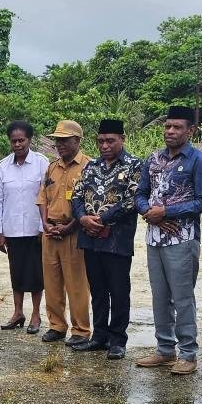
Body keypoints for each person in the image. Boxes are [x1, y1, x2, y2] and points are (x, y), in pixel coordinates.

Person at [134, 106, 202, 376]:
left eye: (177, 127)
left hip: (182, 239)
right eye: (167, 126)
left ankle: (188, 354)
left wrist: (166, 212)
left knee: (182, 297)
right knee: (160, 297)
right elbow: (140, 193)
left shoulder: (197, 160)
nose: (170, 131)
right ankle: (165, 350)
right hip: (154, 238)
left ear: (190, 130)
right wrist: (148, 212)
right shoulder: (153, 158)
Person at [70, 119, 142, 360]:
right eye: (101, 141)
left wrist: (101, 218)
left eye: (110, 140)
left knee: (119, 290)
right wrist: (82, 219)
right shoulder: (91, 166)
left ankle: (117, 340)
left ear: (122, 139)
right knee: (98, 289)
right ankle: (99, 336)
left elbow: (134, 199)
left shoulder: (134, 165)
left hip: (117, 240)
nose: (105, 145)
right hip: (90, 238)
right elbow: (76, 195)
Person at [38, 119, 91, 346]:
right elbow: (42, 199)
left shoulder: (89, 167)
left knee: (77, 284)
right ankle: (57, 326)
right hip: (50, 232)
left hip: (74, 232)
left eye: (64, 141)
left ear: (77, 140)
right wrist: (45, 224)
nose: (59, 145)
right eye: (57, 141)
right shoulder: (52, 167)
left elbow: (90, 204)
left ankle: (80, 330)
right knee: (51, 282)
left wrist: (70, 226)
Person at [0, 120, 47, 333]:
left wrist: (45, 228)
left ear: (29, 140)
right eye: (13, 141)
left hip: (36, 229)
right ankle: (18, 312)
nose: (17, 144)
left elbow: (47, 196)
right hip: (12, 229)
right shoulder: (3, 166)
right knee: (16, 272)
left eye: (21, 140)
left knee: (36, 274)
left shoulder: (42, 163)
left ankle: (35, 314)